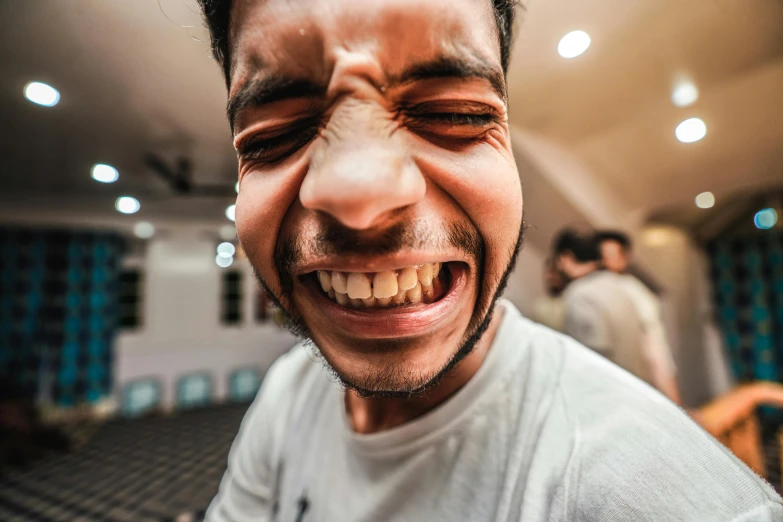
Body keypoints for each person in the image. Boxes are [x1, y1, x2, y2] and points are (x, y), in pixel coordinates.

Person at [194, 0, 782, 519]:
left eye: (455, 113)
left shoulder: (650, 491)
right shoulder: (287, 392)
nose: (361, 194)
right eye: (274, 135)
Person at [596, 230, 682, 404]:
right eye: (602, 255)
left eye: (612, 254)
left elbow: (654, 343)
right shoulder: (594, 290)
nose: (606, 261)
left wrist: (671, 392)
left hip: (643, 375)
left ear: (625, 256)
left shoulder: (634, 289)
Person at [531, 257, 566, 331]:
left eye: (555, 272)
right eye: (549, 272)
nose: (550, 276)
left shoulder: (569, 302)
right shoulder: (540, 305)